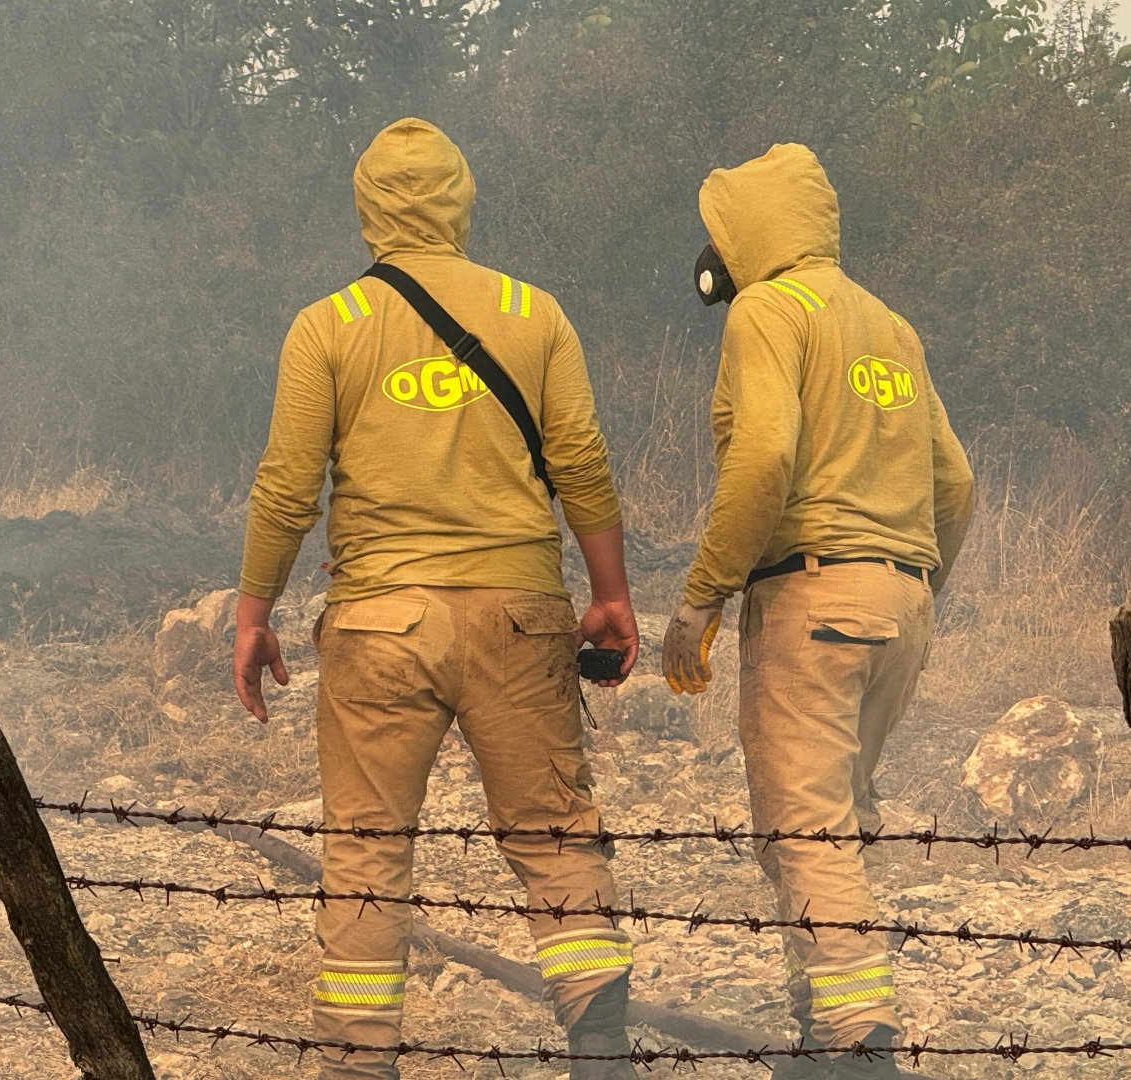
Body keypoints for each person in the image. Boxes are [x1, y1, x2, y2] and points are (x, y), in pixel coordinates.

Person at [233, 117, 641, 1080]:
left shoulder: (327, 324)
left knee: (367, 851)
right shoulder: (533, 312)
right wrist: (611, 595)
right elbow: (581, 464)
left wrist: (254, 615)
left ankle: (358, 1063)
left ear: (367, 208)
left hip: (378, 624)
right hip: (519, 616)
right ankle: (599, 1050)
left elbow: (286, 488)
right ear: (461, 200)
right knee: (554, 837)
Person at [662, 144, 975, 1078]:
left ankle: (854, 1044)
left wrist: (701, 595)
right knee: (838, 819)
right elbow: (955, 484)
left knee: (804, 830)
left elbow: (762, 459)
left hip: (812, 597)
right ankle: (819, 1027)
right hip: (900, 601)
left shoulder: (766, 309)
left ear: (746, 234)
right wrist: (909, 589)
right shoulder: (889, 324)